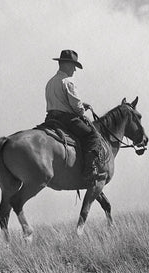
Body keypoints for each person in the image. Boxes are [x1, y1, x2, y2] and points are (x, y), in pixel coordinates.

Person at [44, 49, 105, 183]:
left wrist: (81, 104)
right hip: (66, 119)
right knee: (93, 137)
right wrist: (82, 109)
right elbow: (77, 109)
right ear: (66, 65)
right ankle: (90, 171)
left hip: (50, 119)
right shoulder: (68, 82)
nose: (74, 70)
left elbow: (60, 101)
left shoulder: (50, 82)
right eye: (74, 66)